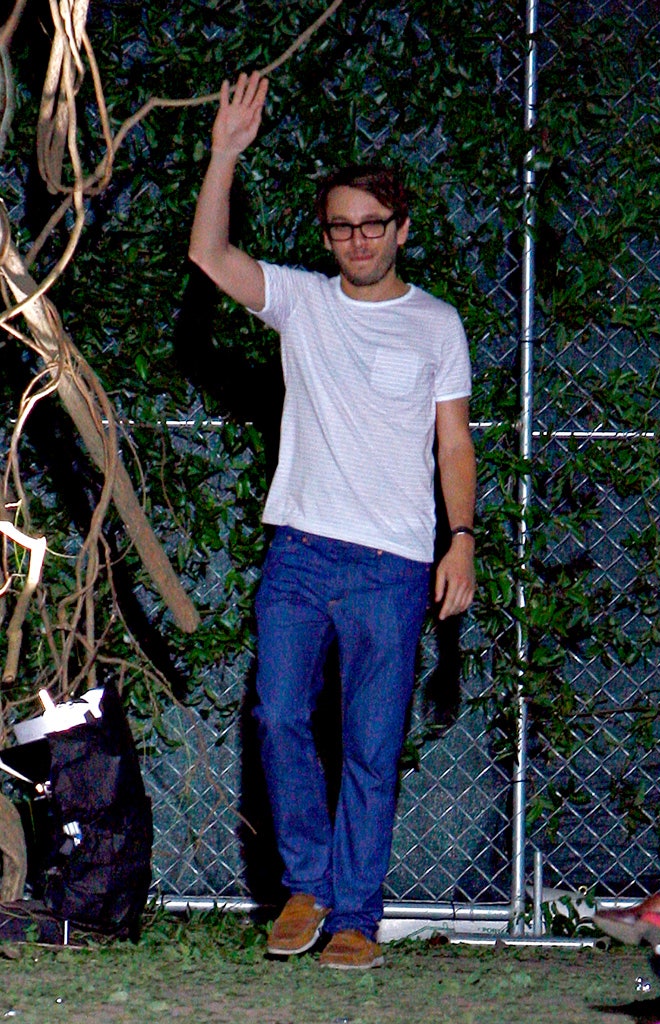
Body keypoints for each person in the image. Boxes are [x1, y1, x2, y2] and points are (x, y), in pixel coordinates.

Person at [189, 71, 476, 970]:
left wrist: (459, 539)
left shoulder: (436, 325)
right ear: (328, 235)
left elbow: (454, 444)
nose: (355, 240)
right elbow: (209, 255)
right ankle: (307, 885)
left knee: (368, 742)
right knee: (277, 717)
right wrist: (224, 155)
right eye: (340, 226)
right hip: (301, 555)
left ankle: (355, 914)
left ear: (399, 230)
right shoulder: (303, 302)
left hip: (391, 564)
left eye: (371, 224)